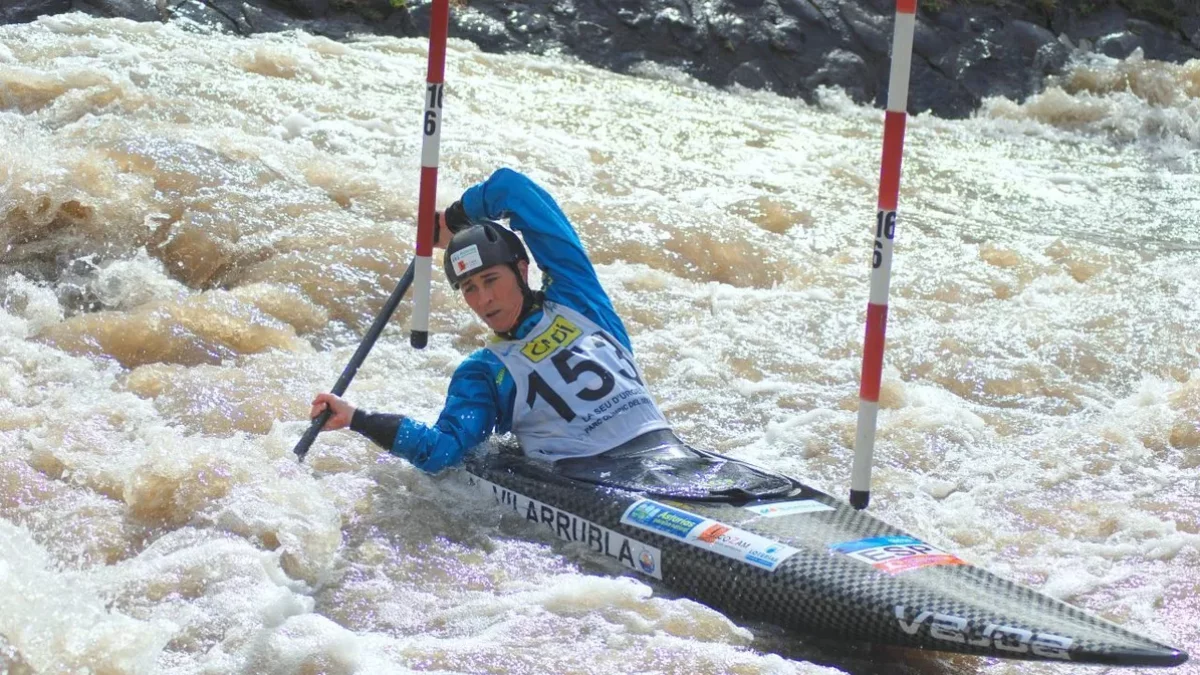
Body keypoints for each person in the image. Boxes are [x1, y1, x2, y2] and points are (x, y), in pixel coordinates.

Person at [309, 168, 675, 472]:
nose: (483, 299)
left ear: (521, 269)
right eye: (469, 288)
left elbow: (512, 189)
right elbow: (441, 452)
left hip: (666, 453)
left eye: (490, 280)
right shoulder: (485, 372)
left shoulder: (579, 298)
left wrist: (454, 217)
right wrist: (359, 419)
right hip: (590, 476)